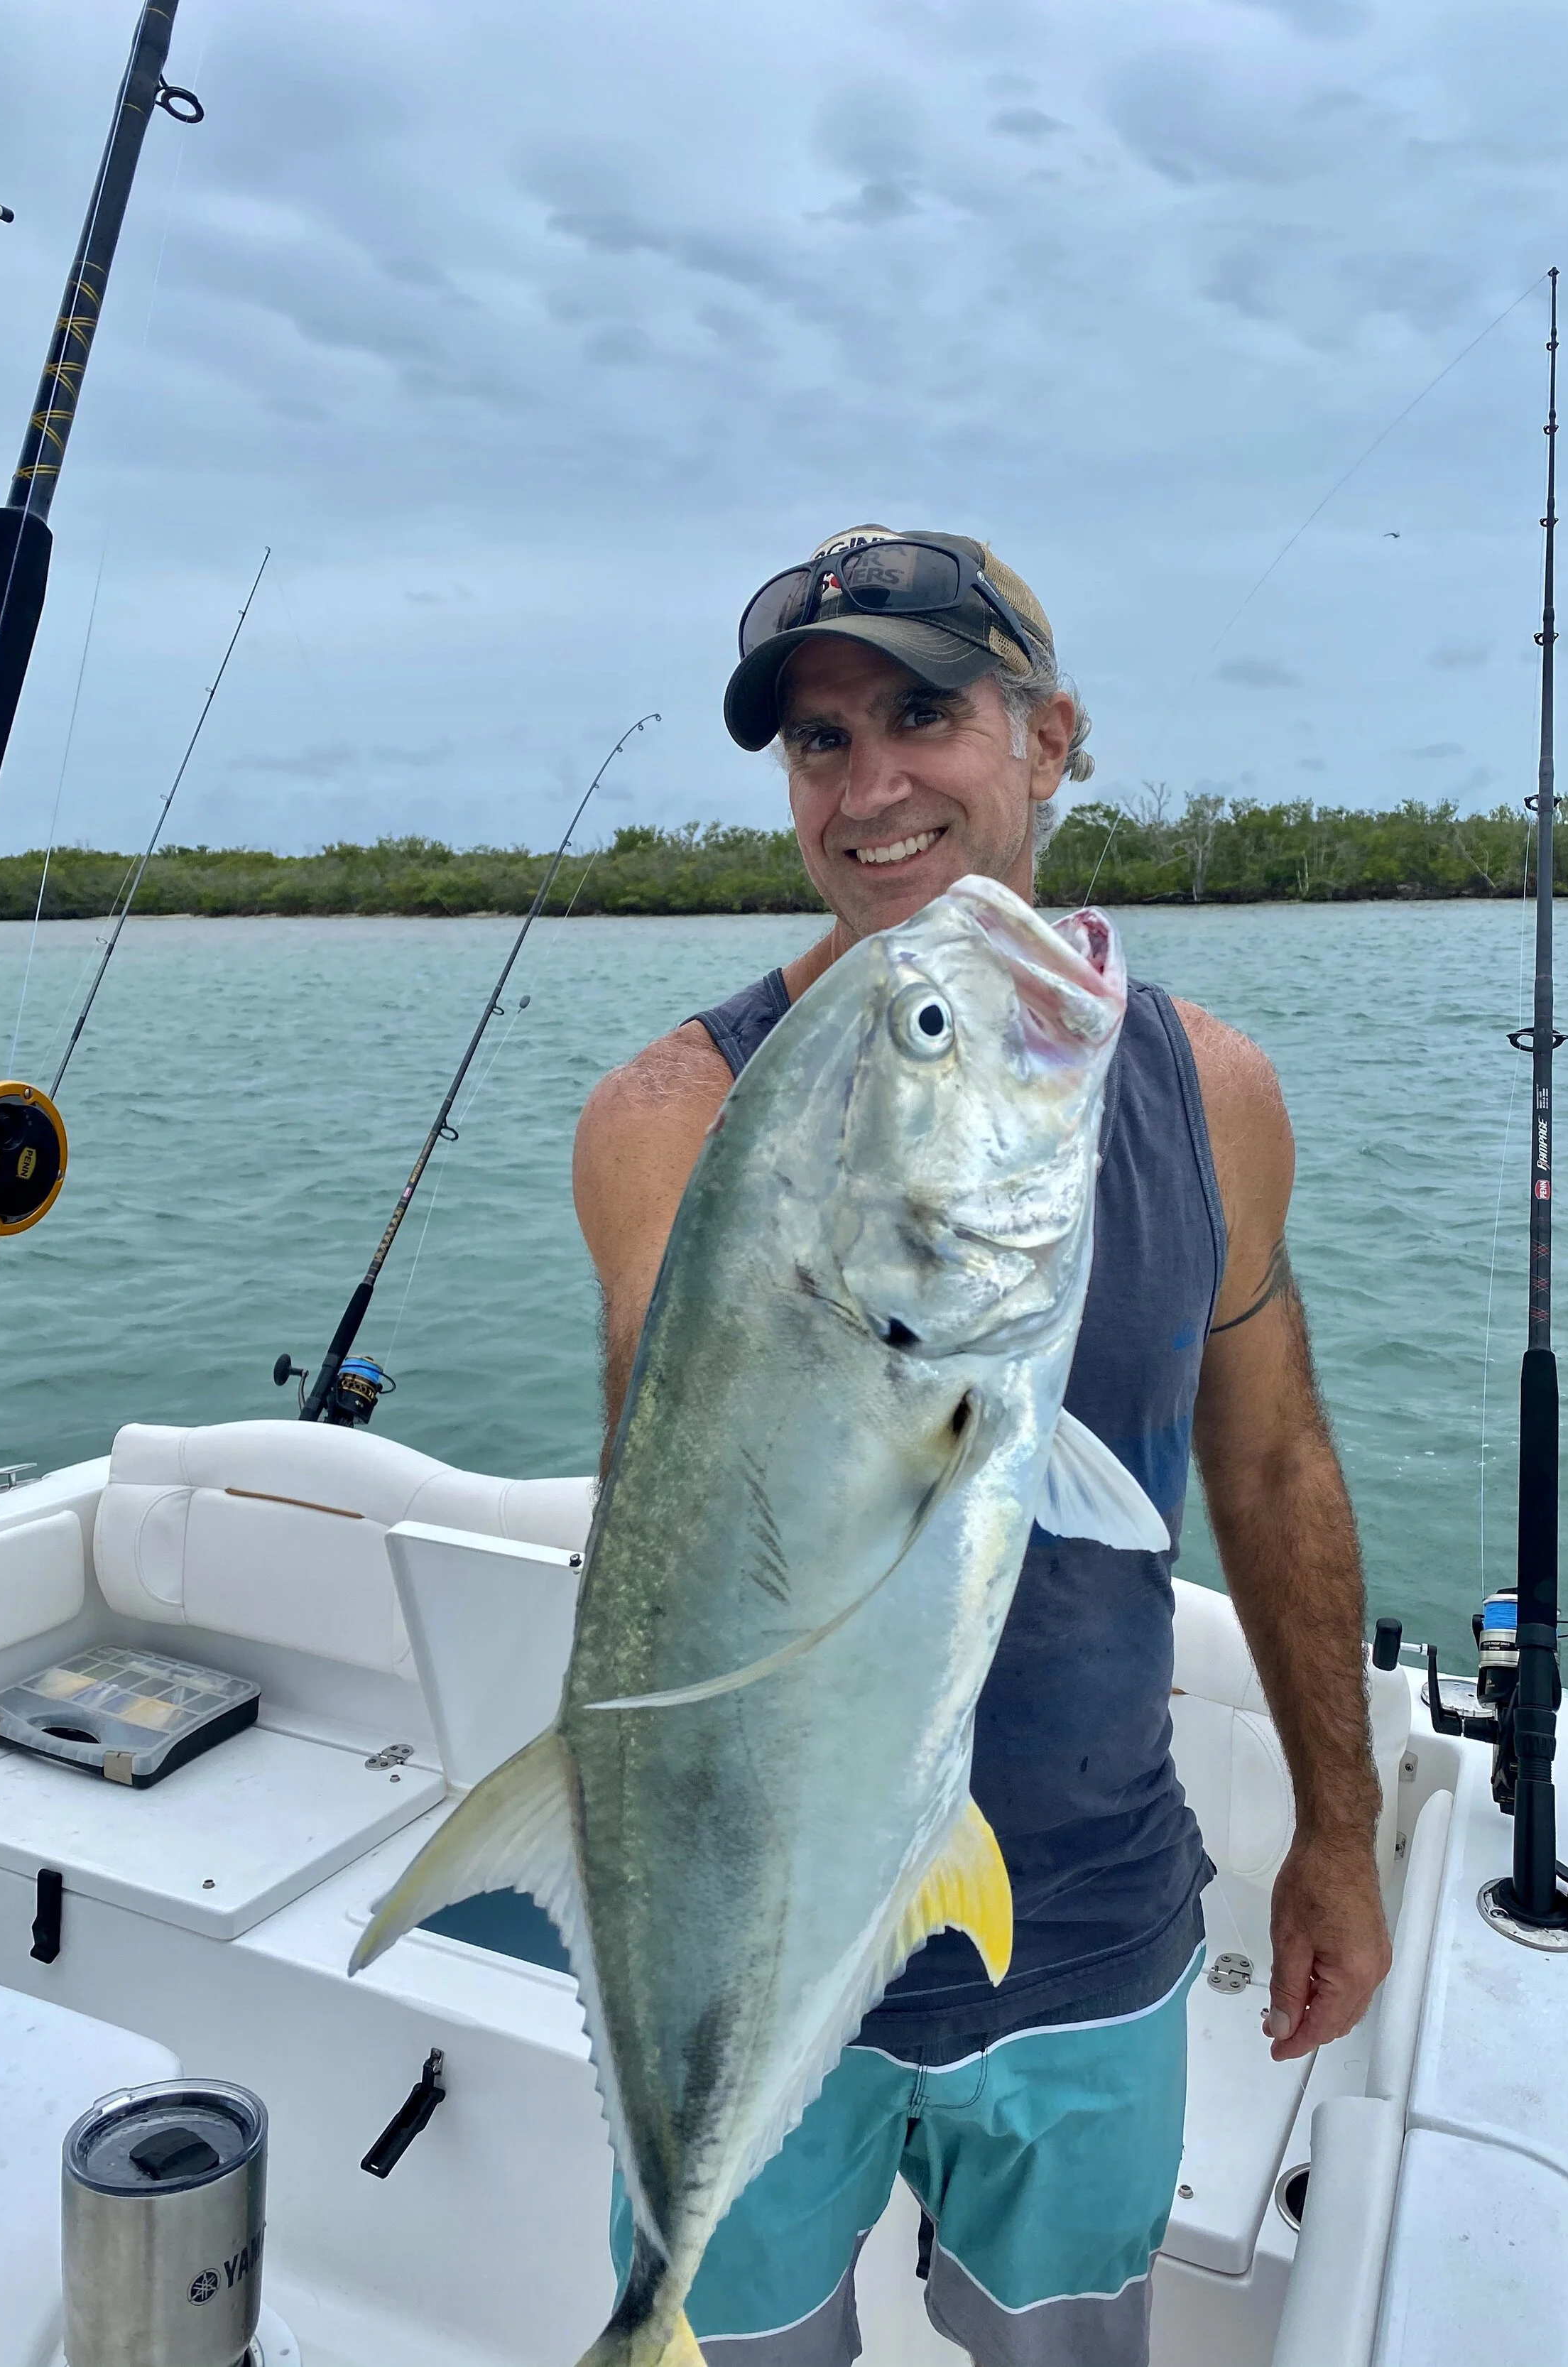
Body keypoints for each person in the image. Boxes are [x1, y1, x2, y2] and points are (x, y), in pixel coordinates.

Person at [572, 525, 1390, 2367]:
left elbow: (1267, 1470)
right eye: (812, 743)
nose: (866, 789)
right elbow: (683, 1498)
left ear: (1048, 733)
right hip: (754, 1931)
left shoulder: (1218, 1094)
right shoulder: (667, 1116)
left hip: (1088, 1919)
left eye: (921, 712)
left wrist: (1338, 1830)